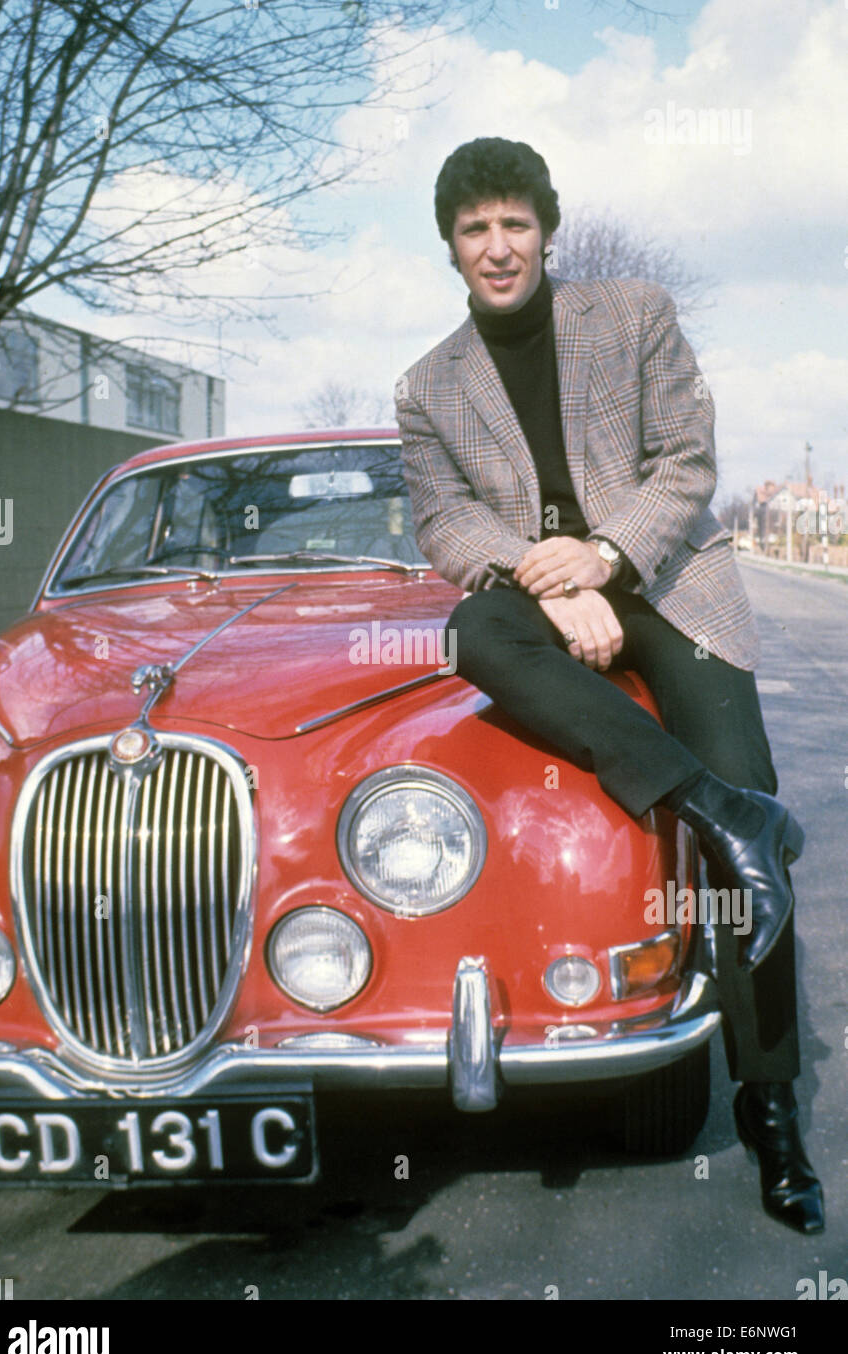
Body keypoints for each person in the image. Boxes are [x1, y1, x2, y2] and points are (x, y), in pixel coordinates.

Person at [394, 136, 824, 1234]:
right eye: (474, 230)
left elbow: (685, 462)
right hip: (539, 597)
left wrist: (602, 557)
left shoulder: (630, 313)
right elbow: (445, 522)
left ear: (546, 227)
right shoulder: (427, 384)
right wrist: (543, 574)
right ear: (450, 248)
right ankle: (722, 817)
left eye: (513, 223)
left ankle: (769, 1105)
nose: (497, 248)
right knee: (469, 629)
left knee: (741, 862)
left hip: (668, 583)